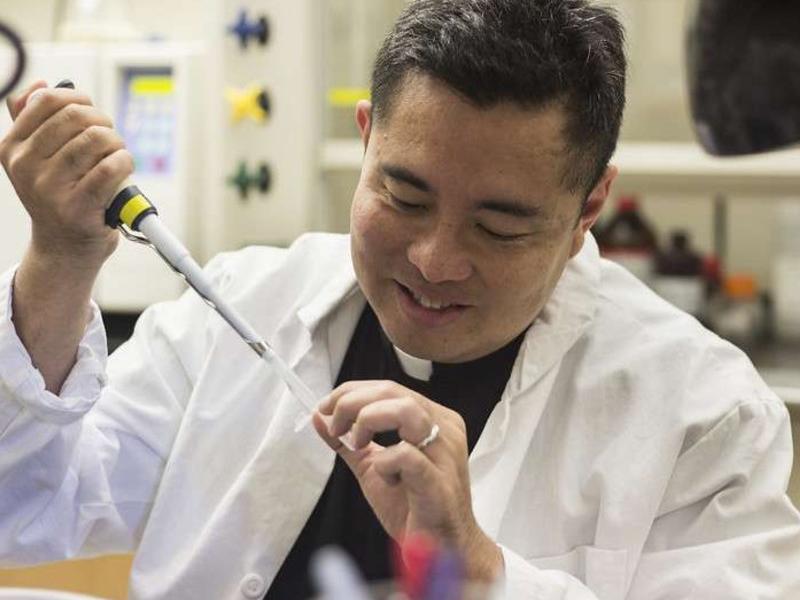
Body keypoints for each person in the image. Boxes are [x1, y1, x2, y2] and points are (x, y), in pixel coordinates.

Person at [1, 0, 799, 598]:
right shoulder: (242, 307)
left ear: (589, 206)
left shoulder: (702, 416)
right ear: (366, 139)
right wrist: (63, 258)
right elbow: (24, 510)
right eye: (405, 197)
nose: (435, 261)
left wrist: (480, 569)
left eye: (498, 227)